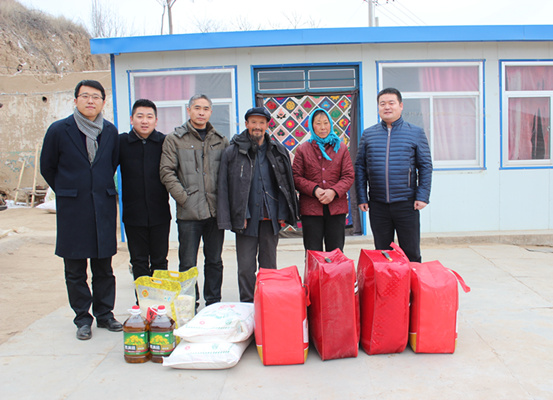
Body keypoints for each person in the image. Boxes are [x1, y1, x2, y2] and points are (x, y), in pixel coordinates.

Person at [40, 80, 122, 340]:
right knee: (75, 269)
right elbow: (47, 166)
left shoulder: (110, 131)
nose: (90, 101)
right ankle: (82, 319)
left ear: (103, 102)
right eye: (85, 96)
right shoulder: (59, 130)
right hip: (73, 209)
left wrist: (95, 187)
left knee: (104, 267)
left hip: (103, 207)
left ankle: (105, 314)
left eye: (96, 97)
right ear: (75, 100)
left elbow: (111, 164)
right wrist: (68, 190)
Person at [217, 107, 299, 302]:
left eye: (261, 123)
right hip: (246, 219)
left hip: (270, 217)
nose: (257, 126)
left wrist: (283, 213)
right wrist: (236, 216)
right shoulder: (232, 152)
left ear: (267, 125)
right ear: (246, 124)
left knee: (269, 267)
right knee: (246, 268)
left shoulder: (278, 151)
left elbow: (285, 184)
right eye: (253, 122)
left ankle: (268, 303)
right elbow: (225, 187)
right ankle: (247, 303)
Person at [160, 94, 229, 307]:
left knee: (214, 260)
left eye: (206, 109)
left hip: (215, 211)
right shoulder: (175, 139)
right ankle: (189, 303)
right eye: (197, 108)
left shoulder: (220, 140)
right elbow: (166, 172)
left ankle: (213, 302)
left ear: (210, 112)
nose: (201, 112)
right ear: (189, 110)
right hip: (188, 213)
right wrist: (184, 198)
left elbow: (229, 173)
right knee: (188, 263)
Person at [355, 87, 433, 262]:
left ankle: (412, 280)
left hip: (407, 203)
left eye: (391, 103)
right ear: (378, 107)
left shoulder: (415, 133)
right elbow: (360, 167)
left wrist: (422, 196)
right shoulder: (369, 134)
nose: (387, 107)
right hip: (378, 204)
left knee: (411, 252)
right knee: (383, 254)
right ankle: (387, 281)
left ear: (401, 105)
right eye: (382, 104)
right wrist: (362, 197)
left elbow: (425, 166)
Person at [119, 99, 171, 283]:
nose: (144, 121)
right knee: (139, 261)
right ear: (131, 119)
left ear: (156, 121)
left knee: (160, 261)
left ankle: (160, 299)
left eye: (149, 117)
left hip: (160, 214)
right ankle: (142, 298)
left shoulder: (164, 142)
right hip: (133, 215)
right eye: (139, 116)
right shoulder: (121, 142)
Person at [292, 108, 354, 252]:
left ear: (331, 124)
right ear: (312, 125)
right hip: (311, 209)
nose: (323, 127)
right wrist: (315, 190)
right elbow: (296, 177)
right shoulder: (303, 149)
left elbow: (348, 175)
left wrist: (333, 191)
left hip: (336, 208)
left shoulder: (341, 148)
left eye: (326, 123)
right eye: (318, 123)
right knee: (313, 252)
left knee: (336, 252)